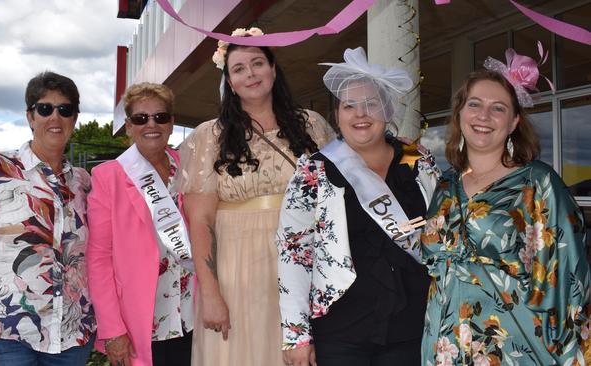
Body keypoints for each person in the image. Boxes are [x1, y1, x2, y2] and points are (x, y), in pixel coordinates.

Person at [420, 46, 591, 365]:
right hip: (445, 342)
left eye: (498, 108)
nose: (483, 116)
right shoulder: (445, 185)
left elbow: (568, 276)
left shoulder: (537, 183)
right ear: (460, 113)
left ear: (513, 122)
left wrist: (566, 351)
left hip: (515, 344)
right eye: (475, 104)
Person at [178, 27, 335, 366]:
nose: (250, 74)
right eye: (239, 68)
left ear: (274, 69)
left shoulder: (313, 126)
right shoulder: (209, 136)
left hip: (305, 263)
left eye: (258, 63)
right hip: (238, 271)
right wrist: (211, 293)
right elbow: (201, 221)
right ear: (229, 81)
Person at [276, 47, 441, 366]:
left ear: (388, 111)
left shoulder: (419, 163)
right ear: (338, 114)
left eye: (371, 104)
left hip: (413, 327)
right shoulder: (314, 171)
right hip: (341, 330)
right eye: (349, 105)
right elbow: (294, 253)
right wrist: (296, 335)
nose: (360, 114)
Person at [0, 71, 95, 366]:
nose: (55, 117)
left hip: (72, 339)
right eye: (45, 108)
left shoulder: (84, 182)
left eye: (65, 110)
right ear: (30, 117)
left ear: (74, 119)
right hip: (8, 337)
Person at [87, 82, 195, 366]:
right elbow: (98, 259)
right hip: (142, 320)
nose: (152, 125)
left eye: (160, 117)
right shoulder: (108, 176)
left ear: (171, 123)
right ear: (128, 126)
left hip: (193, 314)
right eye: (141, 118)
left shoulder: (190, 167)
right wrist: (112, 330)